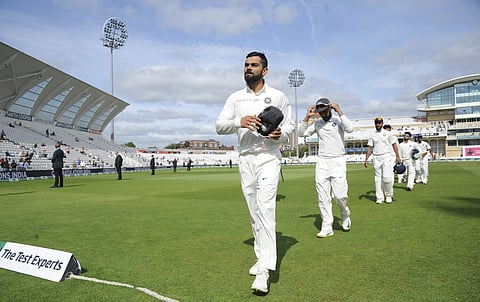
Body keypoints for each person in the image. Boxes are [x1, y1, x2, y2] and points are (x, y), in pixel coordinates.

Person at [215, 51, 295, 294]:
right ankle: (261, 256)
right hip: (246, 159)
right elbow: (219, 126)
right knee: (254, 212)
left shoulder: (278, 96)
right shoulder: (235, 98)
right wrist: (240, 121)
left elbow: (290, 125)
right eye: (246, 65)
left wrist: (281, 134)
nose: (248, 68)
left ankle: (264, 272)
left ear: (265, 70)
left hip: (269, 157)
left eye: (254, 65)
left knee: (266, 209)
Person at [298, 98, 354, 238]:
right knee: (323, 197)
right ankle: (327, 225)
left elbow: (350, 128)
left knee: (340, 196)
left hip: (338, 160)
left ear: (330, 108)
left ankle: (344, 213)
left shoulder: (338, 120)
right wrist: (307, 116)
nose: (322, 114)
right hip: (322, 162)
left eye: (324, 111)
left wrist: (340, 111)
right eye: (320, 112)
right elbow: (301, 133)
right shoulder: (317, 124)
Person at [364, 117, 401, 204]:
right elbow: (370, 147)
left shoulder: (388, 133)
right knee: (377, 179)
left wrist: (397, 156)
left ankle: (388, 195)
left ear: (382, 124)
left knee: (387, 178)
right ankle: (379, 198)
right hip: (376, 157)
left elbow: (394, 145)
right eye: (376, 123)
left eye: (379, 123)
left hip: (386, 156)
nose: (378, 124)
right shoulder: (372, 135)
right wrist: (366, 159)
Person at [382, 124, 399, 196]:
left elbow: (397, 147)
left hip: (392, 157)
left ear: (390, 130)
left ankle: (389, 190)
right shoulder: (382, 137)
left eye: (388, 129)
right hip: (384, 157)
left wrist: (398, 157)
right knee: (383, 175)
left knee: (390, 174)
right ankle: (384, 190)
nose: (387, 131)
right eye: (386, 129)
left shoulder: (394, 137)